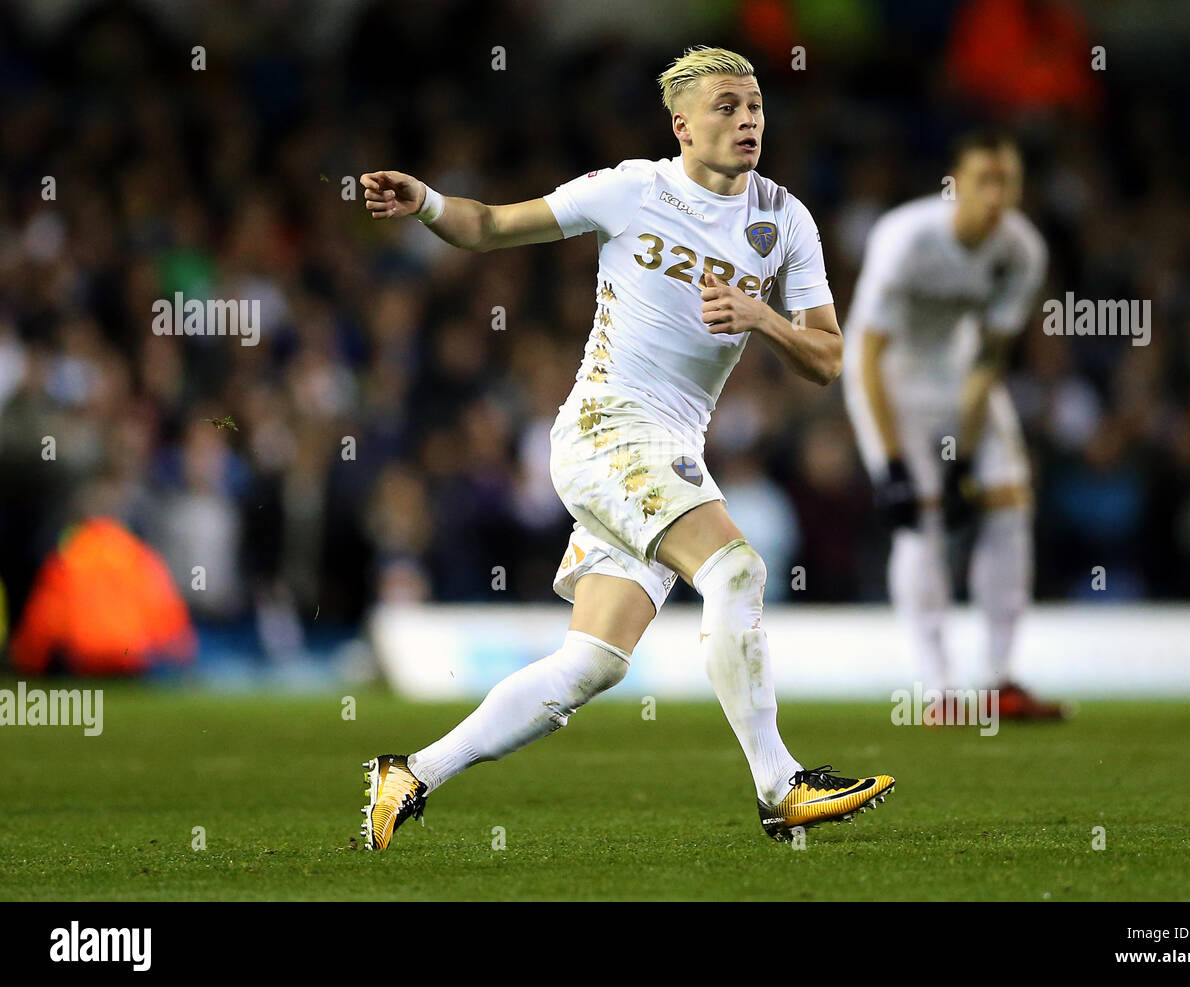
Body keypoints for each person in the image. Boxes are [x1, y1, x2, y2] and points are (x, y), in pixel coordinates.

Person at [359, 46, 895, 849]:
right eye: (726, 106)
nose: (748, 119)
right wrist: (427, 199)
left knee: (594, 663)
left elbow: (825, 358)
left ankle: (411, 772)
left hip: (672, 449)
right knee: (736, 568)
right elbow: (493, 225)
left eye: (754, 105)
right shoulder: (632, 189)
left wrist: (764, 319)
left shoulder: (785, 220)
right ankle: (780, 784)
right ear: (682, 124)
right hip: (606, 429)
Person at [842, 130, 1064, 720]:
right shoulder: (906, 239)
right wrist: (892, 465)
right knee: (921, 520)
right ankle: (939, 689)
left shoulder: (1022, 251)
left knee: (1009, 501)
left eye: (1008, 182)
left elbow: (990, 357)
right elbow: (866, 354)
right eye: (984, 181)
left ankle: (999, 680)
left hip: (962, 382)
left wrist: (962, 457)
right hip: (890, 382)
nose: (996, 195)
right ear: (956, 185)